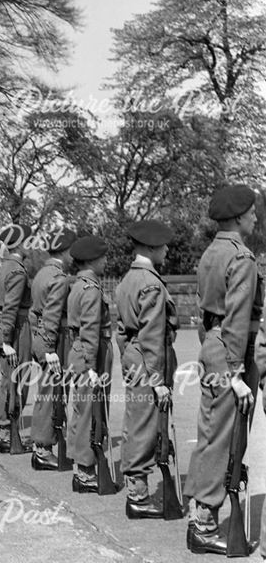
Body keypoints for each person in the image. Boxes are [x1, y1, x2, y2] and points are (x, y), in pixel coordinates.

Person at [184, 184, 262, 554]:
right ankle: (204, 523)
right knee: (224, 438)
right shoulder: (241, 257)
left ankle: (201, 511)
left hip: (214, 344)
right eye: (251, 212)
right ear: (236, 216)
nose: (255, 217)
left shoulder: (210, 254)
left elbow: (206, 314)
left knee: (211, 433)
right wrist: (234, 373)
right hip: (232, 350)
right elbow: (238, 317)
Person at [115, 221, 178, 518]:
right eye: (163, 246)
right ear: (151, 247)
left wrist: (128, 359)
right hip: (148, 358)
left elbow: (120, 330)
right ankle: (138, 496)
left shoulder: (127, 279)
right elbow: (152, 333)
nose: (166, 250)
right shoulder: (150, 282)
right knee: (144, 426)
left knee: (135, 422)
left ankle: (136, 489)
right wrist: (157, 379)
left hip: (134, 354)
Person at [66, 236, 112, 492]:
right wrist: (93, 366)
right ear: (92, 260)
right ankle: (85, 471)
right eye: (103, 257)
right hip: (90, 352)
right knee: (90, 413)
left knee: (82, 410)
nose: (106, 261)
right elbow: (91, 330)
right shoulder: (91, 288)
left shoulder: (79, 285)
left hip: (78, 351)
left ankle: (80, 466)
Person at [28, 228, 76, 469]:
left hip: (40, 336)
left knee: (46, 393)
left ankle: (42, 446)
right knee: (50, 395)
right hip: (51, 340)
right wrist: (49, 348)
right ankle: (42, 449)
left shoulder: (42, 273)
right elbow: (52, 315)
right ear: (65, 251)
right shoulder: (58, 277)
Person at [0, 224, 33, 453]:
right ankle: (8, 432)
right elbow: (10, 308)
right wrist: (6, 341)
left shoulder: (6, 266)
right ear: (18, 244)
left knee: (9, 380)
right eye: (28, 241)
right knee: (17, 380)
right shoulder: (17, 270)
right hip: (16, 328)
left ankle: (6, 432)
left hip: (10, 326)